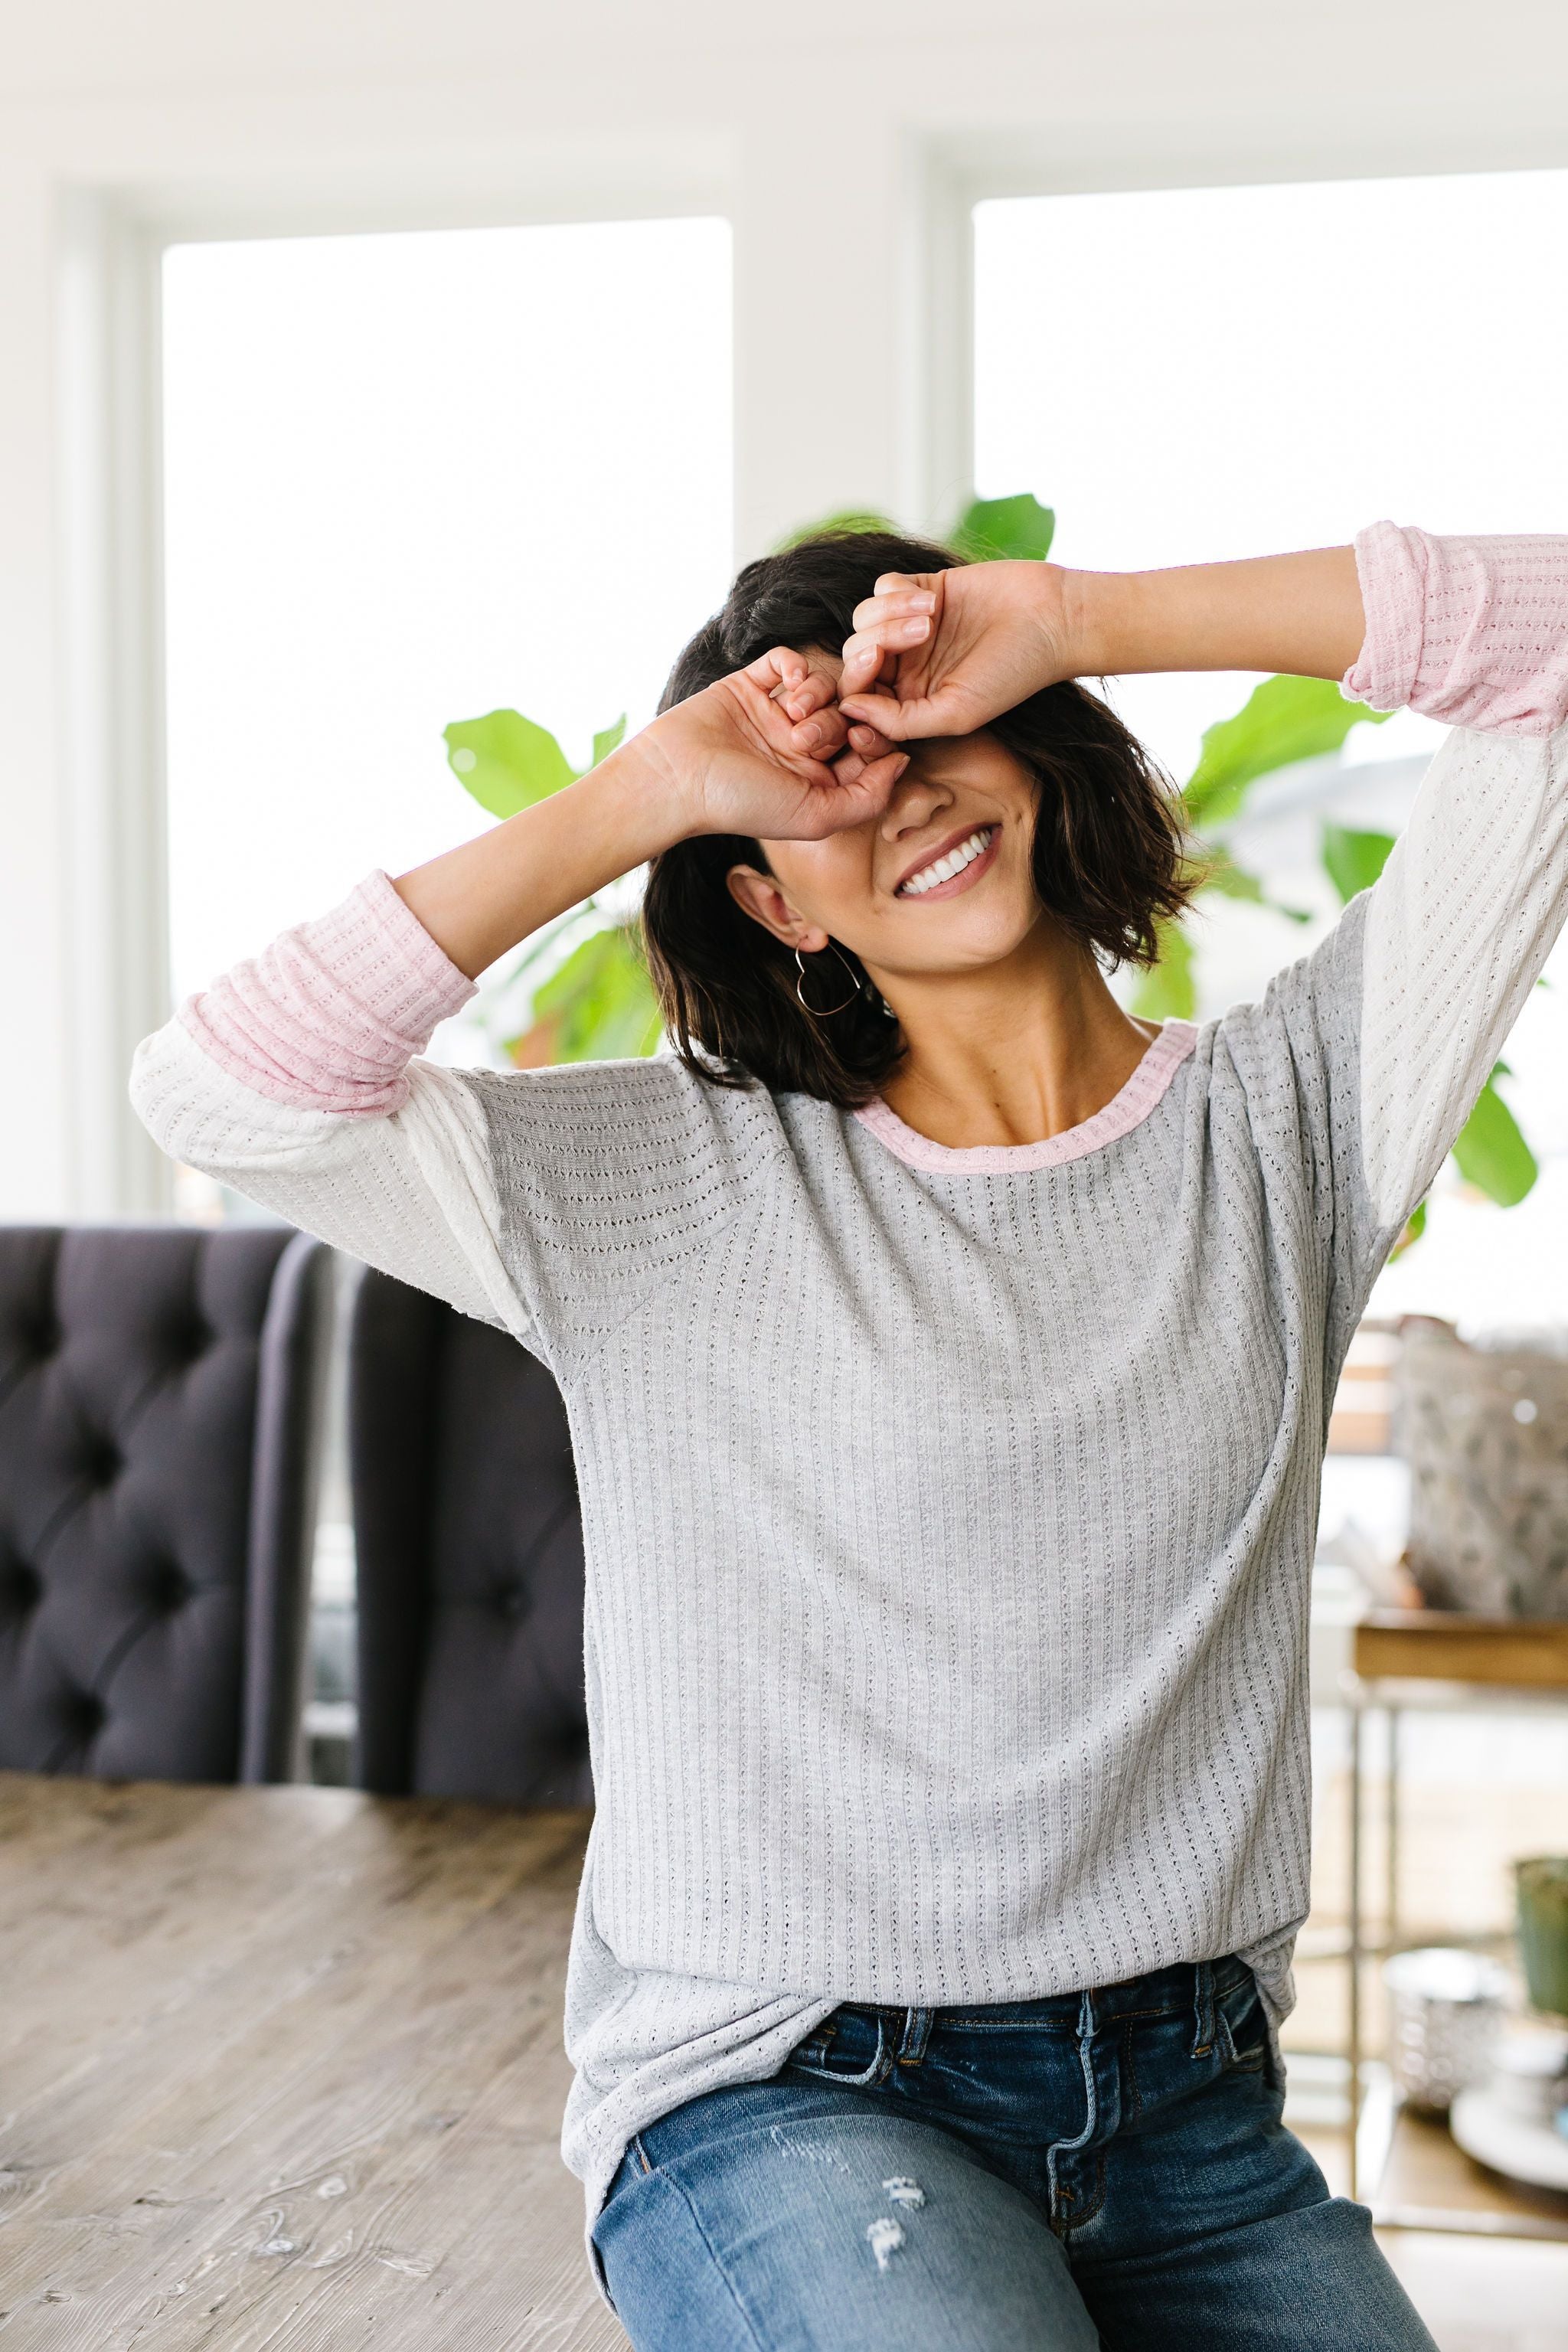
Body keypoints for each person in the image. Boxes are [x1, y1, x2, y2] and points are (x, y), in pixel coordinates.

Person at [132, 520, 1568, 2350]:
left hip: (1191, 2101)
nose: (896, 801)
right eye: (817, 787)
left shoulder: (1294, 1118)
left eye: (923, 725)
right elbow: (216, 1093)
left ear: (1030, 737)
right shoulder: (654, 1182)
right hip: (791, 2094)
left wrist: (1075, 618)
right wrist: (648, 789)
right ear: (769, 903)